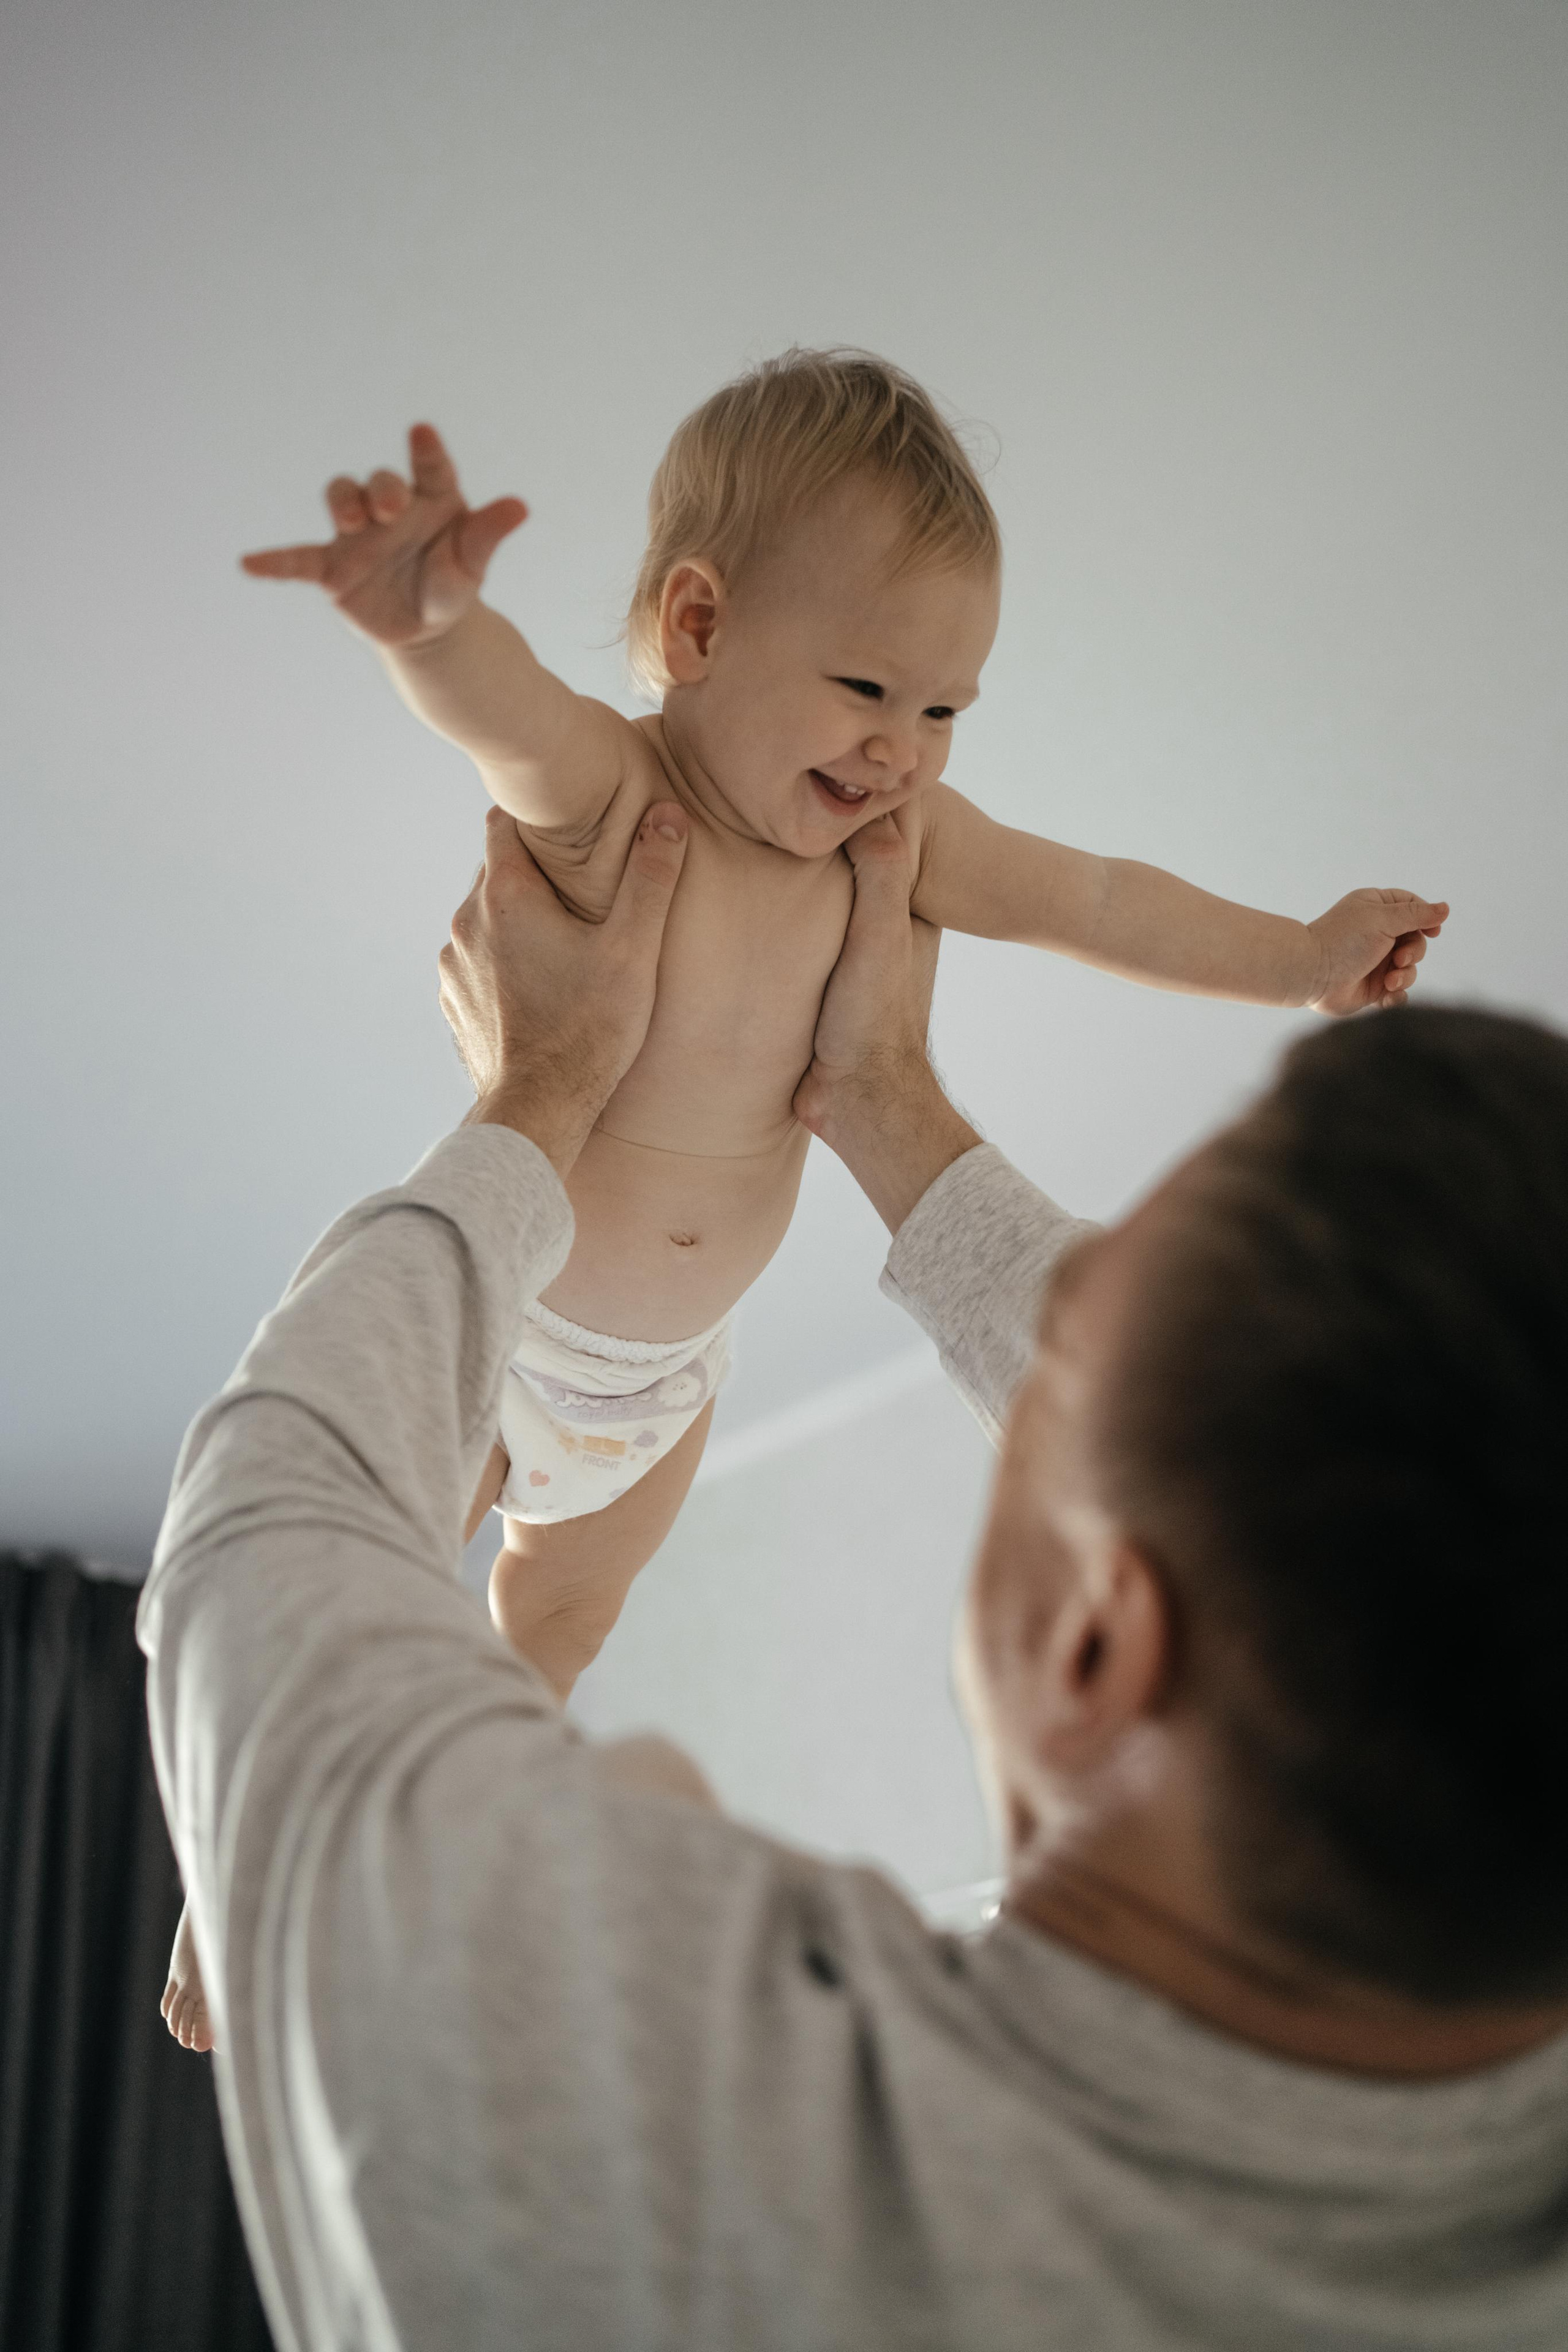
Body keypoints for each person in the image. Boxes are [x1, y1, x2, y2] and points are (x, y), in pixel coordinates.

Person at [143, 802, 1568, 2349]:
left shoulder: (648, 2108)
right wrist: (882, 1104)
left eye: (1073, 1317)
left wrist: (531, 1096)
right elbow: (1300, 1486)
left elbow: (270, 1525)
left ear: (1096, 1650)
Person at [238, 349, 1447, 1694]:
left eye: (942, 711)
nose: (904, 749)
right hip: (498, 1319)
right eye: (867, 690)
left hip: (665, 1382)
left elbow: (1094, 899)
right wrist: (433, 629)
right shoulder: (620, 795)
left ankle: (451, 1844)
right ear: (696, 628)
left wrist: (1294, 961)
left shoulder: (907, 838)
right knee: (353, 1621)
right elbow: (509, 721)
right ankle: (216, 1912)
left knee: (560, 1632)